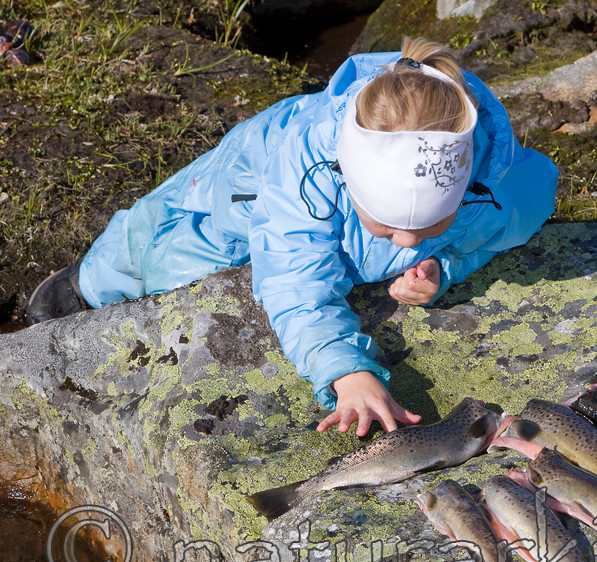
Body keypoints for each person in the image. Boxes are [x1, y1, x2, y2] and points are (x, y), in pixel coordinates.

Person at [26, 37, 559, 437]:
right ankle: (86, 286)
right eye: (387, 223)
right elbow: (293, 274)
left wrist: (448, 267)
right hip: (236, 200)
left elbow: (511, 220)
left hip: (317, 206)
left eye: (430, 227)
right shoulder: (307, 169)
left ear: (465, 183)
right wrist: (345, 369)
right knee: (159, 253)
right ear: (345, 177)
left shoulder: (494, 184)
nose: (405, 242)